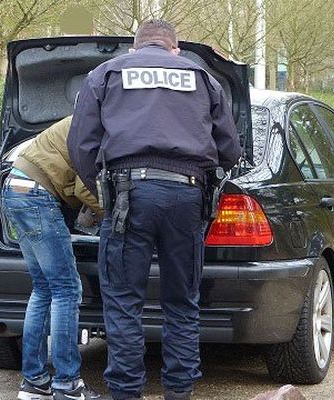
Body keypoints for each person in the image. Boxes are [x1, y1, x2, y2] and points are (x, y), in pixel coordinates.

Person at [68, 20, 241, 400]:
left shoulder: (107, 73)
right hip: (187, 196)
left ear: (134, 49)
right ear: (175, 50)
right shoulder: (201, 76)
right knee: (182, 300)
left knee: (124, 301)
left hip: (129, 196)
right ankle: (179, 391)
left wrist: (103, 189)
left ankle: (126, 392)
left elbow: (81, 144)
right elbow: (229, 149)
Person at [2, 116, 102, 400]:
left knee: (44, 288)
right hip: (37, 197)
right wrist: (113, 214)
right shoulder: (95, 128)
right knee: (66, 290)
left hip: (15, 187)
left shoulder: (81, 119)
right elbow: (86, 189)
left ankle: (34, 383)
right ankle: (67, 384)